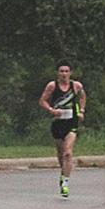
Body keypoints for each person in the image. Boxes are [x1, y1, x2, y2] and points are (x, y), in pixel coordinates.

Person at [38, 61, 86, 197]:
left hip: (72, 122)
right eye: (61, 71)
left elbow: (83, 97)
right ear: (57, 73)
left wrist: (81, 110)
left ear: (70, 73)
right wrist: (51, 110)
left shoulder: (76, 86)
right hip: (58, 122)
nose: (64, 74)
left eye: (66, 71)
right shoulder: (52, 86)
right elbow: (42, 101)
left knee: (68, 153)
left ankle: (65, 181)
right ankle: (63, 173)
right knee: (60, 153)